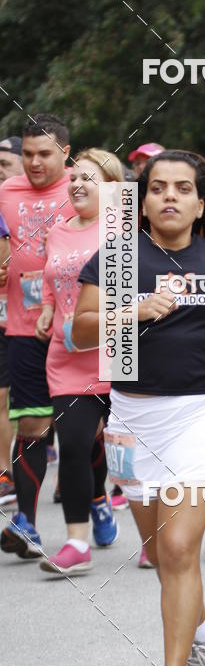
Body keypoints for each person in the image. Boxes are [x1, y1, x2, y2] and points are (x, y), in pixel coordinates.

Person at [72, 150, 205, 666]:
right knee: (161, 554)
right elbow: (79, 330)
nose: (170, 197)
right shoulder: (118, 256)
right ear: (143, 199)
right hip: (131, 418)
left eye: (183, 188)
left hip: (202, 414)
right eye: (158, 188)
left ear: (201, 202)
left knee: (181, 548)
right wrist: (132, 310)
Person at [35, 149, 122, 574]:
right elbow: (51, 278)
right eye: (74, 178)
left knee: (123, 447)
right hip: (66, 356)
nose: (77, 184)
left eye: (89, 178)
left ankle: (151, 536)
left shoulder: (124, 229)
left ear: (112, 188)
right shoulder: (58, 231)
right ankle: (76, 542)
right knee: (72, 445)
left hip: (118, 352)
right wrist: (48, 308)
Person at [0, 114, 74, 558]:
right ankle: (25, 523)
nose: (34, 163)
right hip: (24, 327)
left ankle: (98, 500)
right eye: (27, 154)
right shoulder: (6, 192)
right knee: (32, 424)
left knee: (87, 431)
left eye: (44, 154)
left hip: (80, 329)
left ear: (65, 152)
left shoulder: (86, 189)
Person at [0, 136, 23, 506]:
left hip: (49, 315)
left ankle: (86, 482)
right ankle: (5, 473)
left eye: (5, 163)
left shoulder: (67, 193)